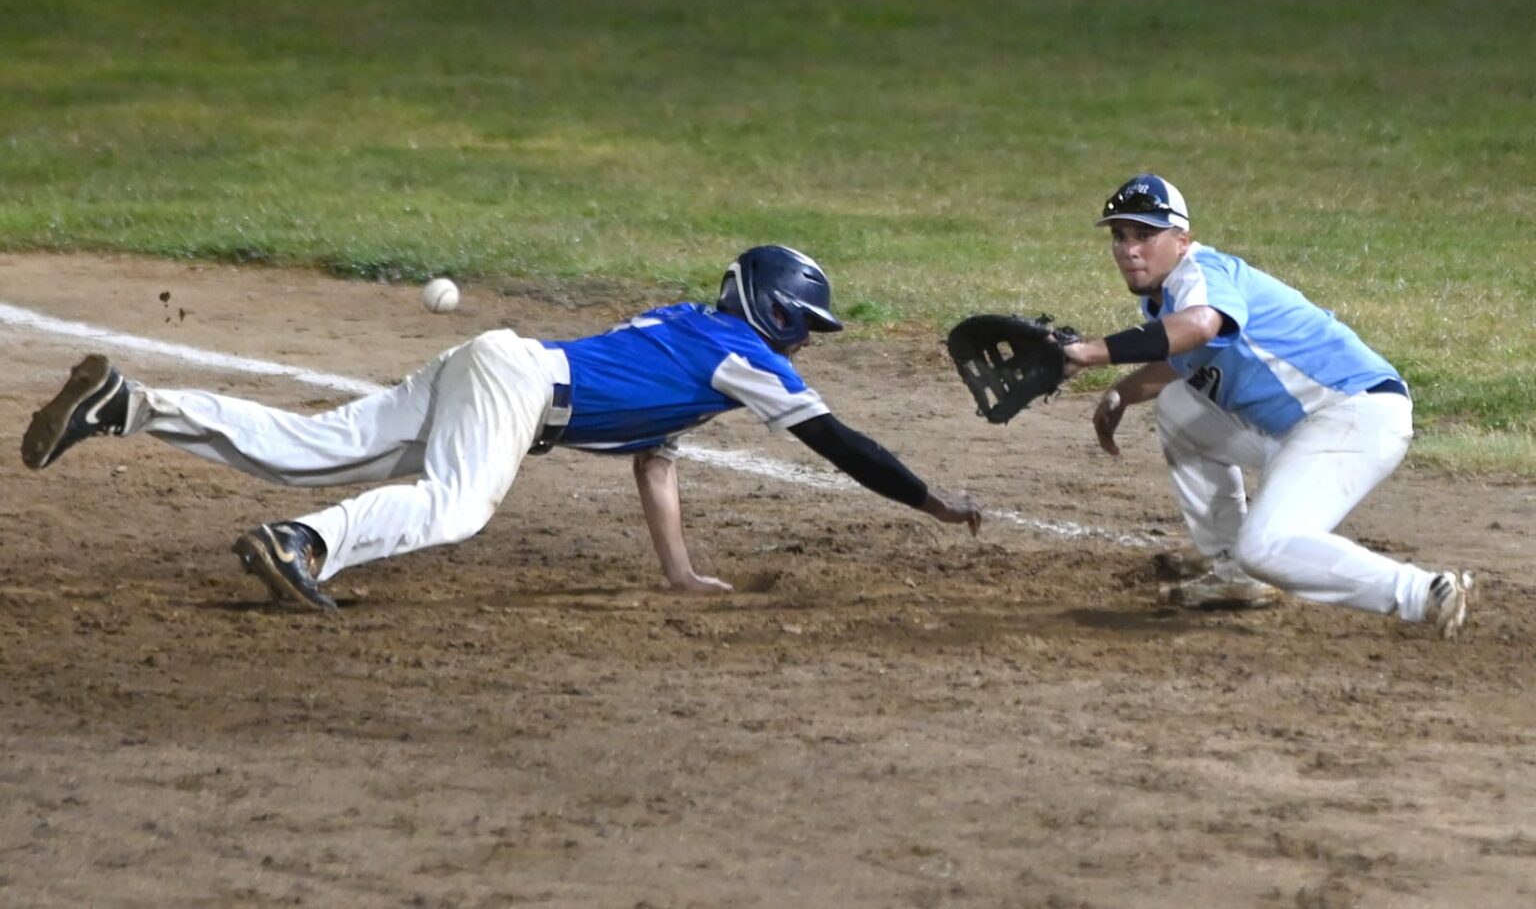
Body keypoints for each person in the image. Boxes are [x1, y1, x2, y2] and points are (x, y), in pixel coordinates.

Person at [21, 245, 982, 610]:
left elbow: (655, 459)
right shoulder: (750, 359)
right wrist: (927, 497)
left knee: (318, 445)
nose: (806, 343)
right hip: (516, 389)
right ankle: (304, 545)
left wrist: (678, 571)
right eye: (805, 324)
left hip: (498, 365)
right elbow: (839, 442)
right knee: (458, 508)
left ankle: (134, 405)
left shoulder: (696, 337)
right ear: (774, 310)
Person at [1059, 173, 1472, 639]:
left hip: (1354, 416)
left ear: (1182, 240)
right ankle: (1233, 573)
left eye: (1145, 235)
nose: (1129, 249)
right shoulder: (1167, 298)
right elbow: (1188, 355)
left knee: (1268, 547)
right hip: (1299, 429)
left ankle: (1424, 591)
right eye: (1120, 236)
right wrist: (1123, 391)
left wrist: (1092, 352)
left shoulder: (1202, 275)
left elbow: (1200, 327)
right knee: (1178, 407)